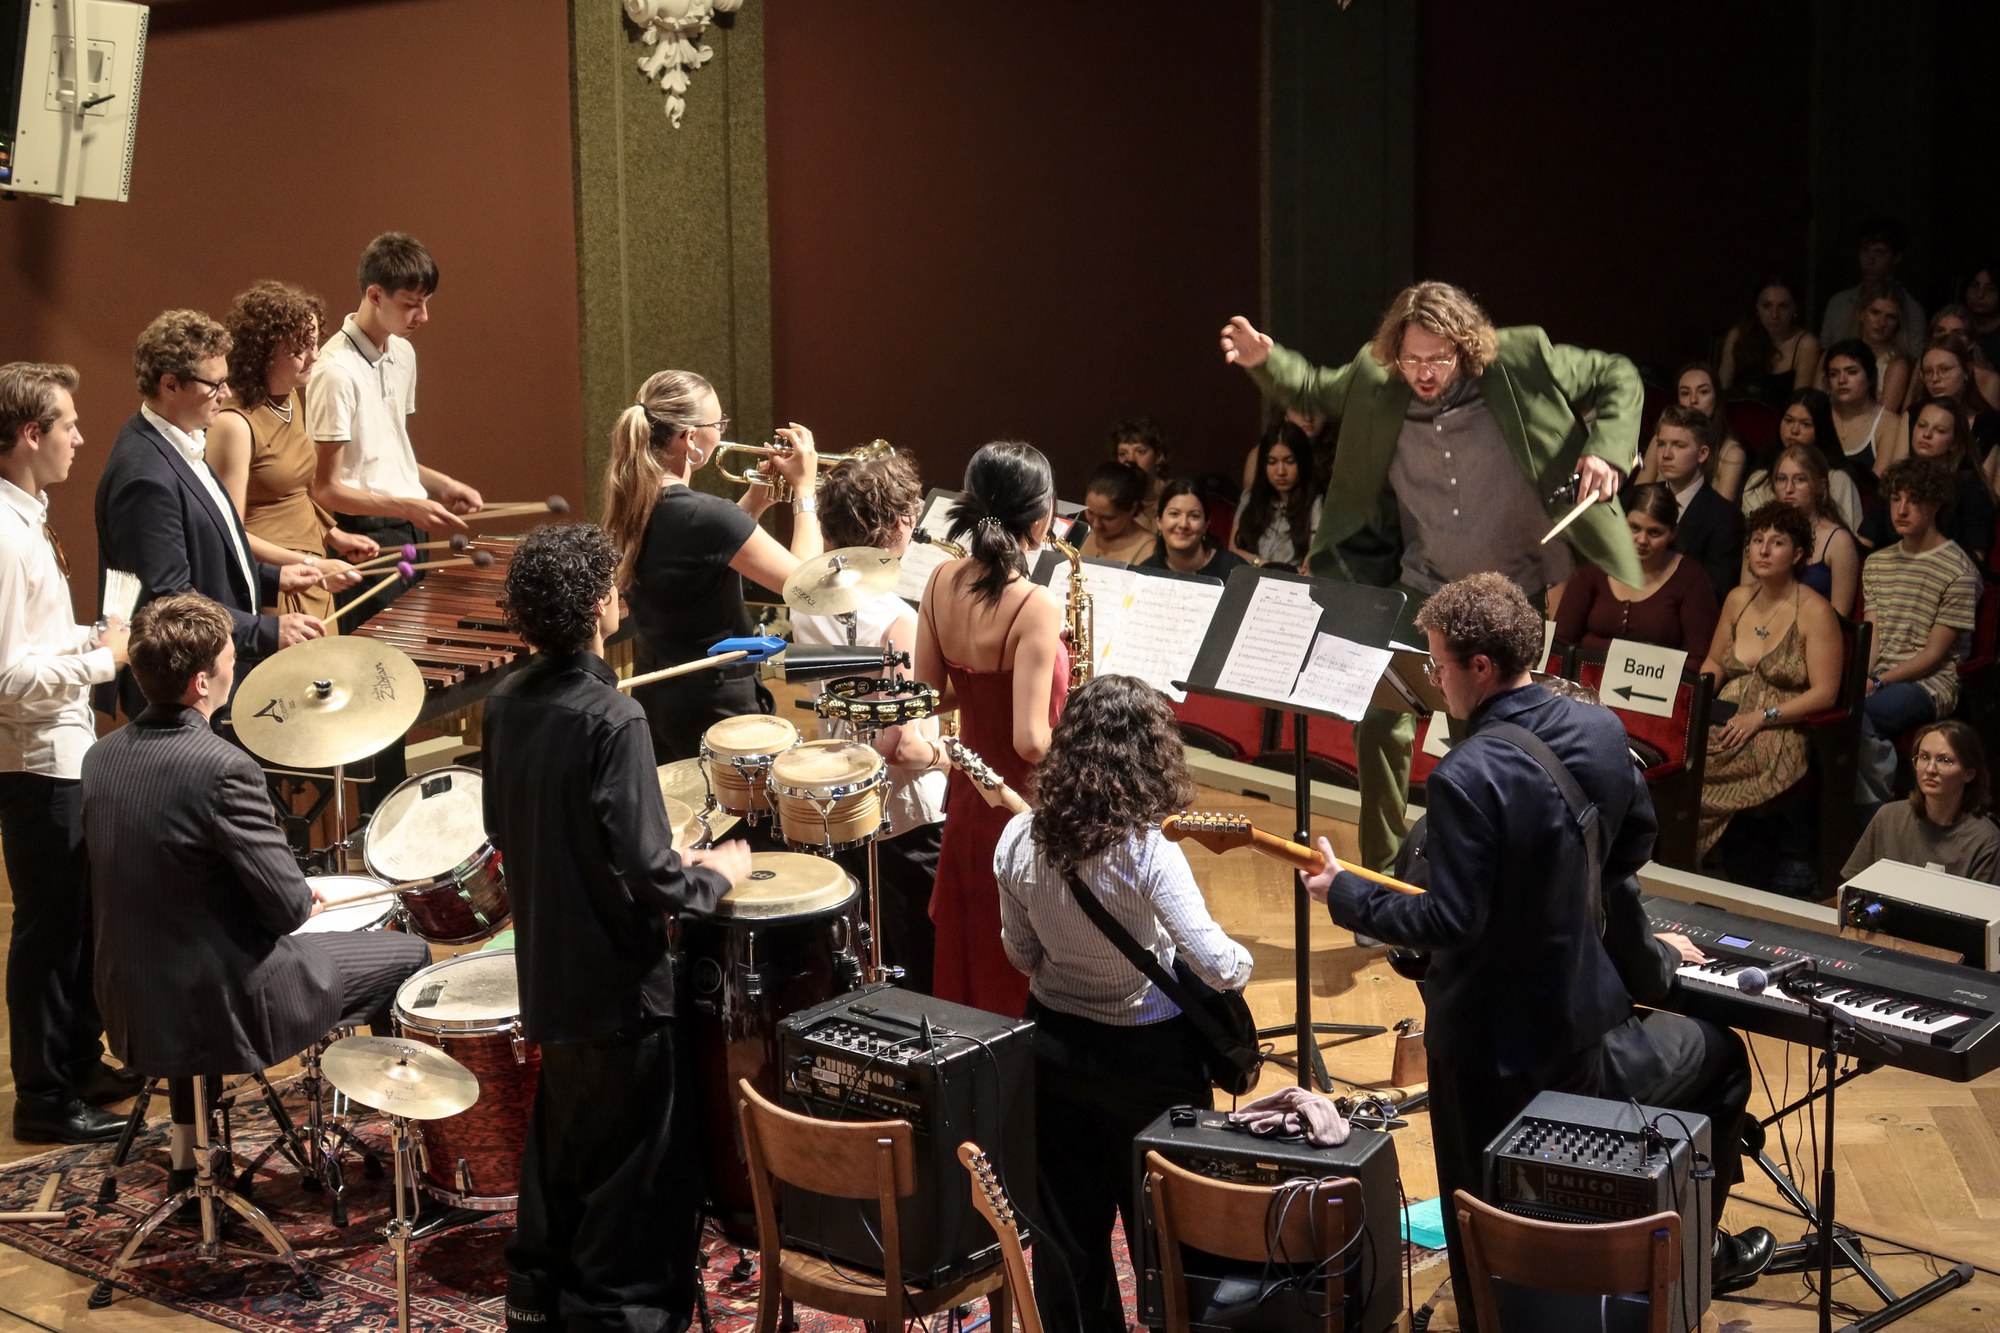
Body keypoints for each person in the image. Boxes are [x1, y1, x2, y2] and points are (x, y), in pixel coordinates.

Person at [1301, 573, 1656, 1333]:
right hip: (1580, 1010)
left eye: (1438, 666)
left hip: (1489, 1037)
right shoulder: (1601, 728)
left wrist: (1345, 893)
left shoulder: (1467, 775)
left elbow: (1450, 920)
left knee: (1480, 1209)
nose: (1435, 682)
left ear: (1481, 667)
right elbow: (1634, 840)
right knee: (1566, 1193)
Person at [1222, 281, 1643, 871]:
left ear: (1465, 347)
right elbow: (1315, 388)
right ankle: (1382, 871)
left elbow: (1619, 374)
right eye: (1411, 359)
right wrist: (1266, 361)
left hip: (1508, 594)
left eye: (1438, 359)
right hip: (1424, 582)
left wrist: (1607, 450)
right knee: (1379, 720)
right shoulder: (1377, 377)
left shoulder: (1521, 356)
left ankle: (1470, 872)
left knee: (1484, 738)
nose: (1423, 372)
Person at [479, 523, 748, 1333]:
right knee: (635, 1174)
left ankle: (537, 1299)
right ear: (600, 605)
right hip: (620, 985)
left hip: (548, 974)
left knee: (567, 1145)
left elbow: (503, 826)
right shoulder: (614, 716)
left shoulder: (504, 702)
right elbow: (652, 876)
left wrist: (641, 855)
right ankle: (615, 1316)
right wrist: (713, 873)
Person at [80, 593, 430, 1183]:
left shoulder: (100, 758)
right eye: (228, 657)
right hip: (228, 1003)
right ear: (201, 683)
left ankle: (189, 1159)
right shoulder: (223, 767)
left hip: (133, 999)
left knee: (186, 950)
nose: (234, 666)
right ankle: (413, 1157)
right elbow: (289, 909)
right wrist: (296, 893)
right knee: (409, 954)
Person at [995, 674, 1251, 1333]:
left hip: (1054, 1049)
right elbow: (1217, 967)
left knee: (1067, 1233)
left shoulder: (1018, 838)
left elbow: (1021, 955)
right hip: (1151, 1060)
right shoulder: (1147, 849)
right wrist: (1244, 959)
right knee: (1167, 1228)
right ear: (1151, 755)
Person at [0, 363, 137, 1144]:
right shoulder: (2, 533)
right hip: (36, 765)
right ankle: (43, 1096)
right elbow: (5, 677)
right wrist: (100, 662)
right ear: (31, 434)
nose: (81, 437)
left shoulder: (27, 516)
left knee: (78, 924)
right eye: (69, 424)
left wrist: (90, 639)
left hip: (65, 752)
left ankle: (81, 1063)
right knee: (48, 936)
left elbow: (34, 643)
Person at [94, 310, 325, 718]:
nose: (226, 392)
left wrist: (273, 577)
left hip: (210, 671)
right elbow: (170, 600)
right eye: (214, 384)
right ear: (170, 385)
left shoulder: (182, 439)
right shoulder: (145, 477)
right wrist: (267, 630)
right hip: (182, 691)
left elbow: (209, 551)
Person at [914, 440, 1068, 1015]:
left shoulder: (939, 580)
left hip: (967, 802)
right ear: (1041, 518)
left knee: (970, 952)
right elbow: (1030, 741)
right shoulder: (1036, 604)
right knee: (1018, 964)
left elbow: (930, 696)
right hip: (1021, 805)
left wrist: (983, 687)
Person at [601, 369, 821, 762]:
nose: (722, 432)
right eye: (718, 425)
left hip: (661, 702)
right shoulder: (706, 515)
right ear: (690, 439)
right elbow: (808, 585)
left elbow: (704, 555)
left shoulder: (635, 504)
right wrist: (805, 492)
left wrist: (756, 500)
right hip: (720, 712)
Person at [788, 452, 947, 992]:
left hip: (842, 807)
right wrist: (952, 757)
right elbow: (900, 746)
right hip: (905, 820)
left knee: (866, 962)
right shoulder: (897, 619)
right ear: (900, 523)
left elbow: (804, 558)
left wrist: (803, 492)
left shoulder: (805, 604)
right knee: (920, 975)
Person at [1597, 885, 1777, 1292]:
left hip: (1487, 1051)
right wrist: (1661, 950)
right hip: (1579, 1057)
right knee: (1722, 1053)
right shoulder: (1589, 851)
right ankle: (1699, 1254)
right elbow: (1648, 979)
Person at [306, 232, 485, 627]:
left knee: (413, 651)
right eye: (411, 304)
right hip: (365, 537)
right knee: (378, 658)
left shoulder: (403, 353)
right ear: (375, 295)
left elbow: (384, 454)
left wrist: (441, 485)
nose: (423, 316)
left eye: (425, 302)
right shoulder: (336, 372)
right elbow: (325, 488)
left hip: (410, 529)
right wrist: (407, 506)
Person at [208, 281, 372, 627]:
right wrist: (308, 565)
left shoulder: (290, 397)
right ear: (263, 352)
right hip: (278, 583)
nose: (315, 355)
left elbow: (294, 492)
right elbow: (227, 532)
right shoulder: (234, 424)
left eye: (315, 343)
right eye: (300, 348)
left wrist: (333, 535)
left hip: (313, 570)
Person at [1697, 503, 1844, 860]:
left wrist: (1762, 717)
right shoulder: (1737, 599)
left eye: (1776, 542)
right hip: (1727, 714)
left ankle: (1709, 858)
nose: (1763, 550)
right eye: (1757, 540)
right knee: (1682, 754)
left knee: (1704, 771)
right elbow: (1714, 662)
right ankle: (1681, 860)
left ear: (1797, 554)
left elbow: (1825, 694)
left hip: (1779, 727)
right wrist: (1693, 703)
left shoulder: (1816, 611)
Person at [1857, 457, 1981, 802]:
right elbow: (1874, 633)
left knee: (1860, 716)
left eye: (1913, 500)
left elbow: (1934, 654)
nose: (1901, 509)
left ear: (1935, 504)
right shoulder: (1877, 562)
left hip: (1929, 683)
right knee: (1834, 708)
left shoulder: (1958, 570)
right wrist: (1862, 678)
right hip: (1883, 672)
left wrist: (1879, 682)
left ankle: (1876, 809)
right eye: (1896, 498)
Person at [1553, 483, 1717, 654]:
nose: (1642, 540)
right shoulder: (1596, 569)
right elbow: (1560, 640)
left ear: (1672, 533)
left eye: (1654, 532)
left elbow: (1697, 657)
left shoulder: (1691, 579)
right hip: (1588, 669)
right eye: (1634, 528)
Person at [1844, 719, 2000, 883]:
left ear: (1969, 774)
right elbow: (1851, 887)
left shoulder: (1986, 841)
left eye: (1944, 760)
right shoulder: (1888, 817)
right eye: (1924, 757)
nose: (1930, 769)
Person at [1858, 396, 1995, 566]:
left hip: (1944, 573)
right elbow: (1865, 542)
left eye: (1940, 431)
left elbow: (1975, 560)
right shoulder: (1895, 478)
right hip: (1888, 571)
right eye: (1921, 425)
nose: (1926, 434)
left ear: (1955, 443)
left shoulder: (1971, 489)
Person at [1653, 404, 1742, 600]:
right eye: (1661, 444)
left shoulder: (1724, 517)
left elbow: (1715, 593)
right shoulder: (1637, 498)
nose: (1666, 454)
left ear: (1702, 454)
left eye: (1678, 445)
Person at [1740, 388, 1863, 529]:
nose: (1794, 430)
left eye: (1806, 424)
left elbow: (1847, 536)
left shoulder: (1837, 480)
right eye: (1788, 420)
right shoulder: (1758, 480)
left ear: (1820, 430)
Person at [1765, 445, 1861, 618]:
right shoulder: (1761, 535)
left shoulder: (1839, 541)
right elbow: (1748, 600)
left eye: (1800, 479)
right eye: (1781, 479)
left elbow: (1839, 618)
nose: (1788, 489)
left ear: (1820, 486)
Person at [1636, 363, 1749, 501]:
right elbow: (1637, 496)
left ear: (1716, 399)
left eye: (1703, 392)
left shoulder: (1731, 453)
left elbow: (1721, 511)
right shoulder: (1659, 439)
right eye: (1685, 393)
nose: (1693, 400)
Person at [1820, 217, 1926, 359]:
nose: (1870, 260)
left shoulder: (1911, 309)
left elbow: (1915, 360)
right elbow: (1825, 354)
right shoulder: (1838, 303)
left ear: (1897, 257)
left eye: (1879, 252)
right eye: (1865, 251)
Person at [1227, 426, 1320, 570]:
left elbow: (1310, 565)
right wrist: (1262, 564)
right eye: (1272, 462)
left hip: (1292, 580)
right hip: (1250, 576)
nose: (1281, 471)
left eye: (1289, 461)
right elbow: (1233, 550)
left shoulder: (1315, 503)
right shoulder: (1250, 498)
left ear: (1302, 463)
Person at [1721, 277, 1821, 409]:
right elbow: (1721, 391)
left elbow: (1799, 406)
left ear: (1794, 308)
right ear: (1756, 306)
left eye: (1783, 306)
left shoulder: (1806, 344)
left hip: (1782, 419)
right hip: (1736, 416)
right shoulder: (1738, 336)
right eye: (1767, 306)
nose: (1774, 315)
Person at [1824, 337, 1909, 484]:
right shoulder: (1821, 415)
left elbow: (1878, 486)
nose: (1841, 380)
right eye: (1834, 374)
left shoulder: (1890, 424)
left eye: (1851, 372)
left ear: (1870, 377)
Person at [1137, 479, 1246, 580]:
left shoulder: (1235, 570)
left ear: (1206, 524)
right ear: (1159, 521)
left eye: (1194, 516)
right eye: (1174, 514)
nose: (1183, 524)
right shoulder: (1144, 575)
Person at [1916, 332, 2000, 460]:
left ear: (1966, 371)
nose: (1935, 378)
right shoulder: (1914, 414)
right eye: (1928, 372)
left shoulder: (1991, 425)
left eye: (1945, 370)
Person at [1844, 280, 1916, 412]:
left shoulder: (1897, 364)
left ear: (1898, 323)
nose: (1882, 322)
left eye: (1891, 317)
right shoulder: (1838, 353)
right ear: (1862, 314)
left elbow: (1882, 417)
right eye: (1875, 312)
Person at [1076, 460, 1159, 564]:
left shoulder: (1150, 550)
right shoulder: (1081, 535)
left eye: (1107, 518)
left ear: (1132, 508)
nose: (1096, 524)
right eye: (1090, 512)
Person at [1110, 416, 1169, 523]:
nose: (1130, 459)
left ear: (1159, 456)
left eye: (1140, 451)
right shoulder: (1115, 502)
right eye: (1123, 454)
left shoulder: (1177, 496)